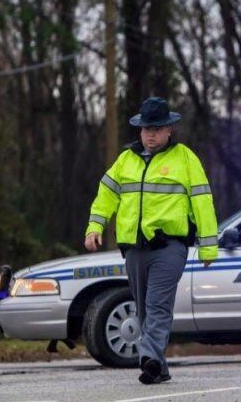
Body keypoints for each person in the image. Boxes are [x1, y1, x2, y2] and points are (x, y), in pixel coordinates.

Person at [84, 97, 218, 384]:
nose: (151, 134)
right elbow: (106, 195)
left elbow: (202, 202)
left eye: (157, 129)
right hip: (134, 249)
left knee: (157, 304)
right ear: (139, 130)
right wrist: (95, 226)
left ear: (169, 129)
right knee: (144, 308)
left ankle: (148, 359)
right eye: (146, 129)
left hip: (170, 247)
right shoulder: (125, 160)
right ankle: (159, 367)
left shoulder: (185, 158)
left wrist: (209, 246)